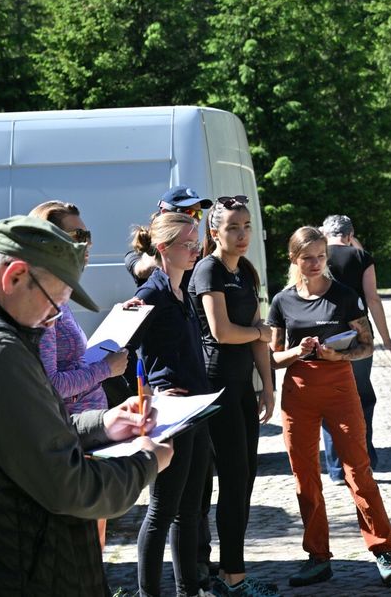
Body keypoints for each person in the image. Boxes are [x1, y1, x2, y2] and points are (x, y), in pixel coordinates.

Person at [0, 216, 173, 595]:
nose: (52, 323)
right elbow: (68, 486)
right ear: (15, 276)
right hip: (23, 572)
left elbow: (27, 431)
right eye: (54, 304)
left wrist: (103, 424)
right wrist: (146, 462)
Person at [267, 226, 391, 588]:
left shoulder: (343, 295)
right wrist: (297, 352)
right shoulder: (282, 301)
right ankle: (317, 555)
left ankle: (383, 549)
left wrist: (334, 353)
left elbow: (366, 345)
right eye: (307, 257)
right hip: (298, 393)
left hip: (340, 387)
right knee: (305, 476)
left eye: (321, 256)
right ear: (294, 259)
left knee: (358, 469)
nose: (315, 264)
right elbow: (271, 358)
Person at [119, 185, 217, 591]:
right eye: (186, 244)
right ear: (162, 247)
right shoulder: (152, 293)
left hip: (196, 408)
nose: (195, 250)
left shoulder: (180, 289)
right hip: (170, 413)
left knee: (191, 511)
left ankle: (188, 589)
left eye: (196, 242)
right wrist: (150, 394)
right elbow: (119, 351)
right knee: (162, 510)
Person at [188, 196, 279, 597]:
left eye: (246, 227)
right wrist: (260, 334)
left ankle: (230, 571)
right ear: (214, 232)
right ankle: (231, 575)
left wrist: (268, 386)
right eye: (232, 228)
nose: (242, 236)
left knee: (245, 479)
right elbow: (223, 331)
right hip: (214, 386)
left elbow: (261, 333)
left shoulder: (246, 271)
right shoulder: (207, 270)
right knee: (230, 478)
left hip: (243, 386)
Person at [30, 200, 133, 550]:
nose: (87, 244)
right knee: (83, 547)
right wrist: (106, 368)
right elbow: (51, 385)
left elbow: (70, 362)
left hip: (88, 434)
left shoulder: (60, 297)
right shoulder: (44, 307)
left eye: (87, 235)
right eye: (77, 235)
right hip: (73, 438)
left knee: (93, 545)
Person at [319, 214, 391, 481]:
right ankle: (363, 459)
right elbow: (372, 299)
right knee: (361, 397)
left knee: (330, 399)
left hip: (324, 331)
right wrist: (387, 340)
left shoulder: (315, 255)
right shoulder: (362, 258)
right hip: (357, 335)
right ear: (351, 234)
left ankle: (335, 468)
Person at [126, 186, 212, 287]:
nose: (196, 218)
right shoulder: (137, 256)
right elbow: (143, 270)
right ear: (165, 213)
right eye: (189, 212)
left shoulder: (196, 252)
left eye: (199, 213)